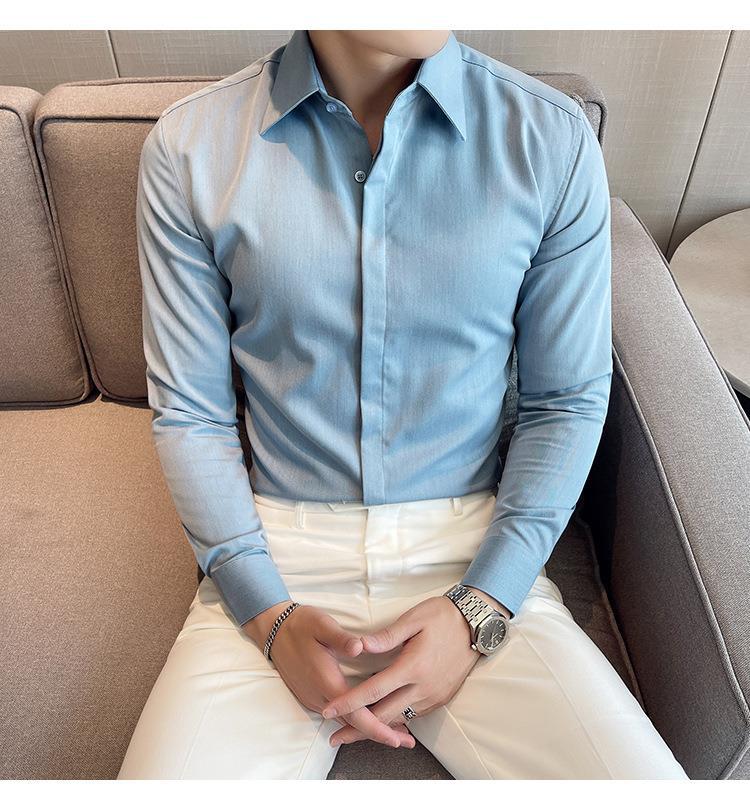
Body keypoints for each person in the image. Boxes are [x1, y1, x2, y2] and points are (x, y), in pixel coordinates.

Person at [117, 29, 689, 779]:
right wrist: (265, 615)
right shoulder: (190, 147)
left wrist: (482, 606)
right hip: (277, 553)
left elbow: (565, 401)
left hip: (471, 555)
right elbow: (191, 413)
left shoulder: (549, 140)